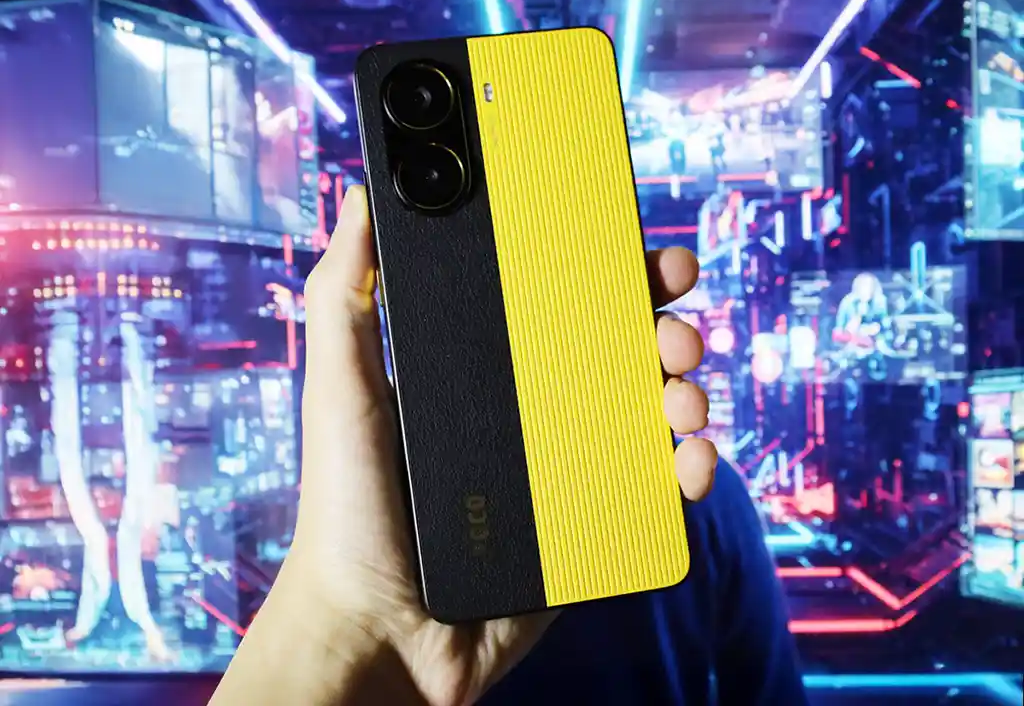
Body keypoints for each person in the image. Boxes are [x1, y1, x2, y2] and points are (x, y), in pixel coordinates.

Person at [210, 186, 805, 705]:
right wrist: (351, 626)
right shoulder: (700, 495)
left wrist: (346, 630)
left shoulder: (411, 489)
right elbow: (767, 688)